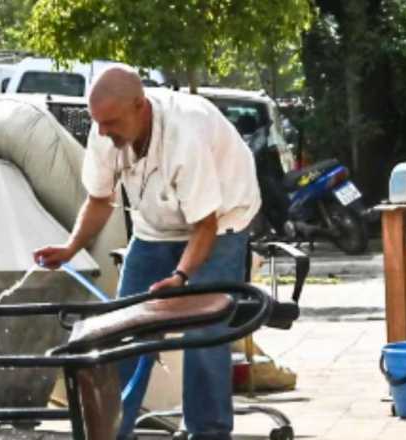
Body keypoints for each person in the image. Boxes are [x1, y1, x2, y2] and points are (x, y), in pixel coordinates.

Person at [33, 65, 261, 440]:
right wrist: (71, 247)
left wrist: (181, 277)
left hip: (220, 222)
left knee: (203, 329)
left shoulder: (184, 134)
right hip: (155, 227)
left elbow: (204, 224)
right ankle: (111, 432)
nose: (103, 131)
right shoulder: (104, 128)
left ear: (140, 106)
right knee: (122, 329)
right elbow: (99, 198)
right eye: (98, 122)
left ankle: (208, 432)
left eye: (110, 122)